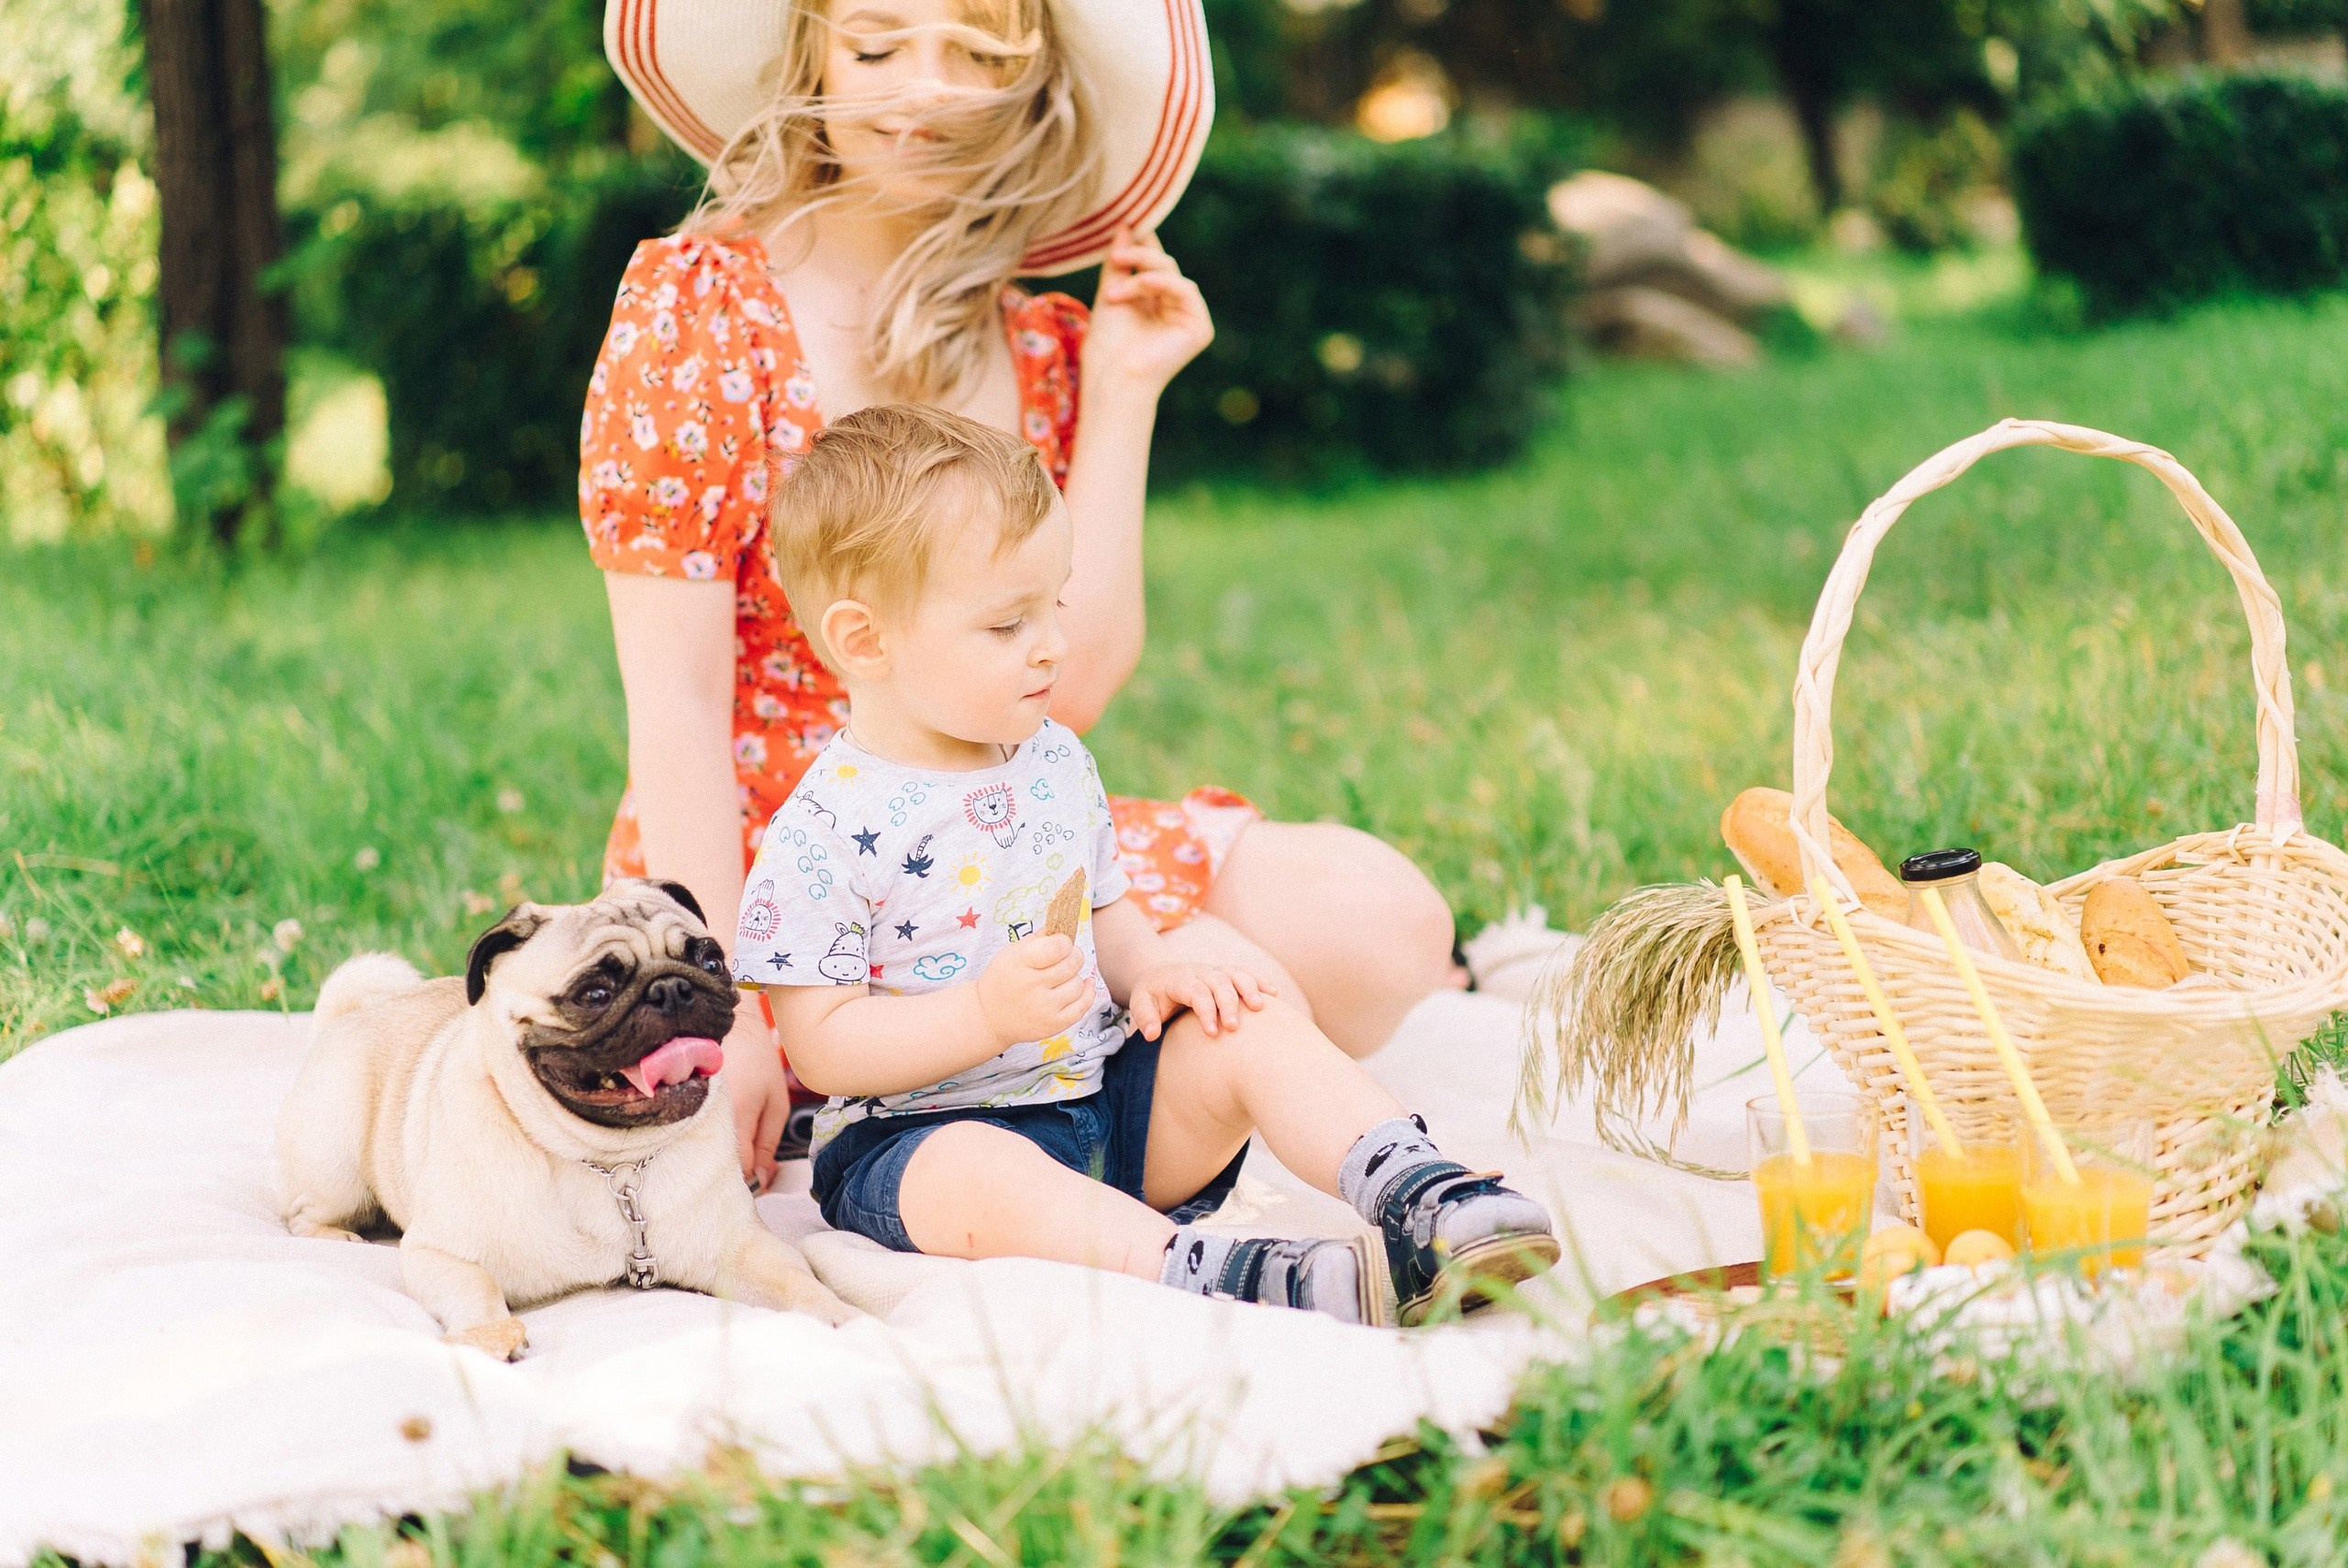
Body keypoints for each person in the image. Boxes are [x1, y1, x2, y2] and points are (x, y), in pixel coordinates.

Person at [585, 0, 1460, 1192]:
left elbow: (1073, 679)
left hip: (998, 839)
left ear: (1030, 81)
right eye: (878, 46)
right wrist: (722, 1003)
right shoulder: (699, 311)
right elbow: (676, 703)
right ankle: (931, 1089)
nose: (926, 91)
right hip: (780, 862)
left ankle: (1013, 1098)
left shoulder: (1038, 344)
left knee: (1386, 921)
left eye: (977, 54)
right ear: (813, 59)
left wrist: (1125, 390)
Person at [739, 403, 1557, 1324]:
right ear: (864, 641)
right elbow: (822, 1043)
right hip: (916, 1143)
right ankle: (1241, 1274)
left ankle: (1425, 1193)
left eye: (1052, 603)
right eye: (1007, 625)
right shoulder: (818, 833)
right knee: (983, 1176)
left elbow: (1106, 910)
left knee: (1250, 1011)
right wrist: (979, 1016)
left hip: (1100, 1103)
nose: (1051, 642)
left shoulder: (1049, 758)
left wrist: (1161, 973)